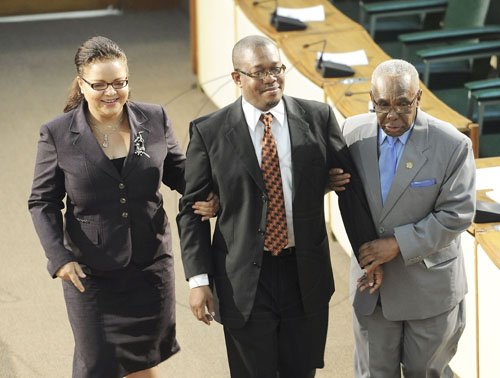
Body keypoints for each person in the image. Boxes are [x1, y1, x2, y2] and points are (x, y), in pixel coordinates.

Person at [176, 35, 381, 378]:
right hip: (243, 277)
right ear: (237, 78)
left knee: (301, 371)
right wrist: (198, 280)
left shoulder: (318, 117)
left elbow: (349, 190)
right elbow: (192, 211)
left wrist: (367, 253)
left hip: (304, 272)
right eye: (260, 72)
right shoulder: (209, 132)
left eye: (277, 69)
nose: (271, 78)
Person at [28, 36, 218, 378]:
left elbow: (178, 171)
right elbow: (42, 201)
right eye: (99, 85)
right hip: (90, 274)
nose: (111, 93)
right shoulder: (56, 134)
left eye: (119, 83)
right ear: (81, 85)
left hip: (149, 267)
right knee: (97, 363)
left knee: (142, 362)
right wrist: (60, 258)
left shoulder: (153, 118)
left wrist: (215, 192)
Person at [331, 59, 476, 377]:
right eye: (382, 105)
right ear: (371, 98)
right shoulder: (352, 133)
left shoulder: (452, 145)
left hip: (428, 289)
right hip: (372, 287)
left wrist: (397, 243)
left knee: (424, 373)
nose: (392, 115)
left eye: (403, 104)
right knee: (372, 372)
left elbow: (458, 213)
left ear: (419, 98)